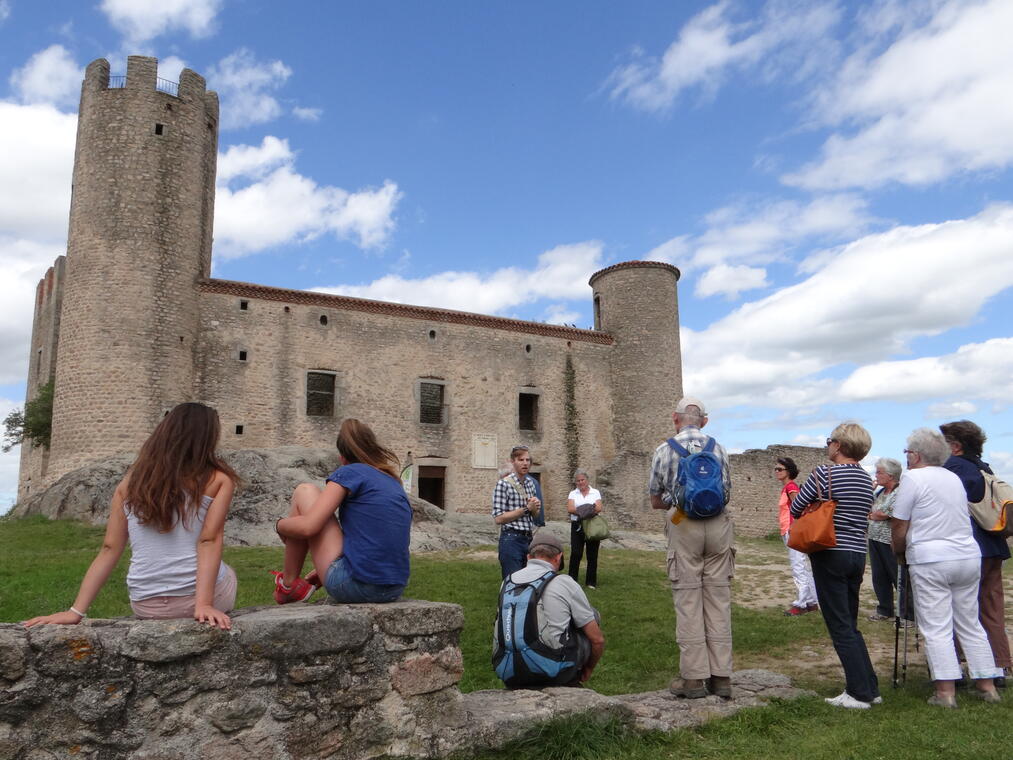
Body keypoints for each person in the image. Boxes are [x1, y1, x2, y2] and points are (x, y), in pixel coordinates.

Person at [23, 403, 239, 630]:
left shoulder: (130, 484)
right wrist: (203, 604)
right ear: (207, 437)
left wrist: (75, 611)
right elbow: (209, 541)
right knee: (229, 573)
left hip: (146, 605)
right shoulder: (219, 479)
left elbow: (109, 548)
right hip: (193, 601)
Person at [892, 428, 1002, 707]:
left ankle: (945, 693)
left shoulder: (913, 478)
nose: (906, 457)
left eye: (907, 453)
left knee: (936, 626)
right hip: (967, 556)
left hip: (931, 558)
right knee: (970, 622)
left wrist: (899, 551)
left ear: (915, 455)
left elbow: (900, 523)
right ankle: (987, 686)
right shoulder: (952, 477)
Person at [649, 397, 734, 699]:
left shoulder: (664, 450)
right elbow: (726, 491)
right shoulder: (719, 449)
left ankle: (694, 680)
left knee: (688, 601)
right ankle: (722, 677)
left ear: (675, 419)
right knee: (718, 599)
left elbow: (656, 499)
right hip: (718, 525)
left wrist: (679, 500)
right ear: (704, 421)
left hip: (683, 526)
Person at [273, 418, 411, 604]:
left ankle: (289, 586)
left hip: (355, 585)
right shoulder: (392, 481)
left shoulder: (349, 472)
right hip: (394, 588)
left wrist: (279, 526)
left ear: (342, 458)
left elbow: (308, 527)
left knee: (305, 491)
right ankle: (295, 584)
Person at [790, 423, 879, 709]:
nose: (828, 446)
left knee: (839, 626)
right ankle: (869, 686)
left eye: (830, 441)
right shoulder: (867, 480)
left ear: (839, 445)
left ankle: (859, 694)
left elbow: (795, 508)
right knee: (850, 623)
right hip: (857, 554)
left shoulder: (823, 473)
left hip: (830, 551)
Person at [939, 420, 1011, 688]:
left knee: (959, 608)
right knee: (992, 608)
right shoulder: (984, 467)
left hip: (968, 548)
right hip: (993, 546)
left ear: (955, 446)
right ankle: (999, 665)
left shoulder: (953, 469)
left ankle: (954, 667)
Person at [492, 532, 605, 688]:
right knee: (590, 616)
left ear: (528, 558)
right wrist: (588, 669)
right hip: (553, 673)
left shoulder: (507, 582)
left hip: (509, 671)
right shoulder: (564, 582)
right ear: (558, 558)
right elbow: (597, 640)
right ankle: (572, 679)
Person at [867, 458, 910, 623]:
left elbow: (887, 513)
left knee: (897, 576)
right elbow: (871, 509)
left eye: (879, 472)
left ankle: (907, 614)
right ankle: (885, 609)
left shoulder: (899, 492)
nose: (876, 475)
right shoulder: (879, 492)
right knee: (879, 576)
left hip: (890, 540)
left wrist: (874, 515)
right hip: (874, 538)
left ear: (891, 475)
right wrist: (871, 494)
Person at [492, 445, 542, 579]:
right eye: (521, 460)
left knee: (527, 581)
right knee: (512, 583)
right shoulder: (503, 484)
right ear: (513, 461)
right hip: (511, 539)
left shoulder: (531, 484)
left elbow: (534, 516)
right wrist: (526, 509)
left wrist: (536, 507)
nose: (525, 463)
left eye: (527, 460)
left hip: (528, 539)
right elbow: (499, 518)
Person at [776, 456, 817, 616]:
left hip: (792, 531)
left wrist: (795, 527)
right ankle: (812, 602)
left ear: (788, 472)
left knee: (798, 566)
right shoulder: (787, 487)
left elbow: (800, 507)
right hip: (788, 530)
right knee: (803, 567)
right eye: (776, 469)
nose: (777, 472)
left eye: (780, 469)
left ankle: (800, 604)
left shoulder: (791, 487)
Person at [566, 469, 604, 588]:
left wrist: (581, 510)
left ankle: (591, 582)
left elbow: (598, 508)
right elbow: (570, 509)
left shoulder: (595, 492)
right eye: (578, 481)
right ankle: (572, 580)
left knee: (592, 554)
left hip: (592, 525)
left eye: (582, 480)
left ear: (587, 480)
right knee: (576, 553)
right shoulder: (573, 494)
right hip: (577, 525)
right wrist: (589, 509)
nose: (580, 482)